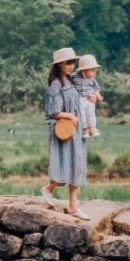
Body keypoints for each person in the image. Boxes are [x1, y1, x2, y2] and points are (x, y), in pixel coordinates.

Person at [41, 47, 88, 219]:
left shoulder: (71, 81)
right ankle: (48, 188)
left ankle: (73, 206)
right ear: (60, 64)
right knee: (63, 165)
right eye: (68, 63)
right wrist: (69, 115)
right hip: (64, 131)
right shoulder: (56, 85)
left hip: (75, 130)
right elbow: (53, 111)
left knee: (77, 165)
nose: (71, 66)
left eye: (73, 62)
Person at [75, 54, 102, 138]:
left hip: (90, 99)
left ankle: (92, 127)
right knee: (81, 114)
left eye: (94, 71)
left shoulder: (92, 80)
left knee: (90, 113)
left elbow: (96, 88)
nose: (92, 73)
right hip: (80, 98)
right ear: (83, 70)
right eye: (90, 71)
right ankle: (84, 129)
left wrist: (98, 96)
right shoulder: (76, 78)